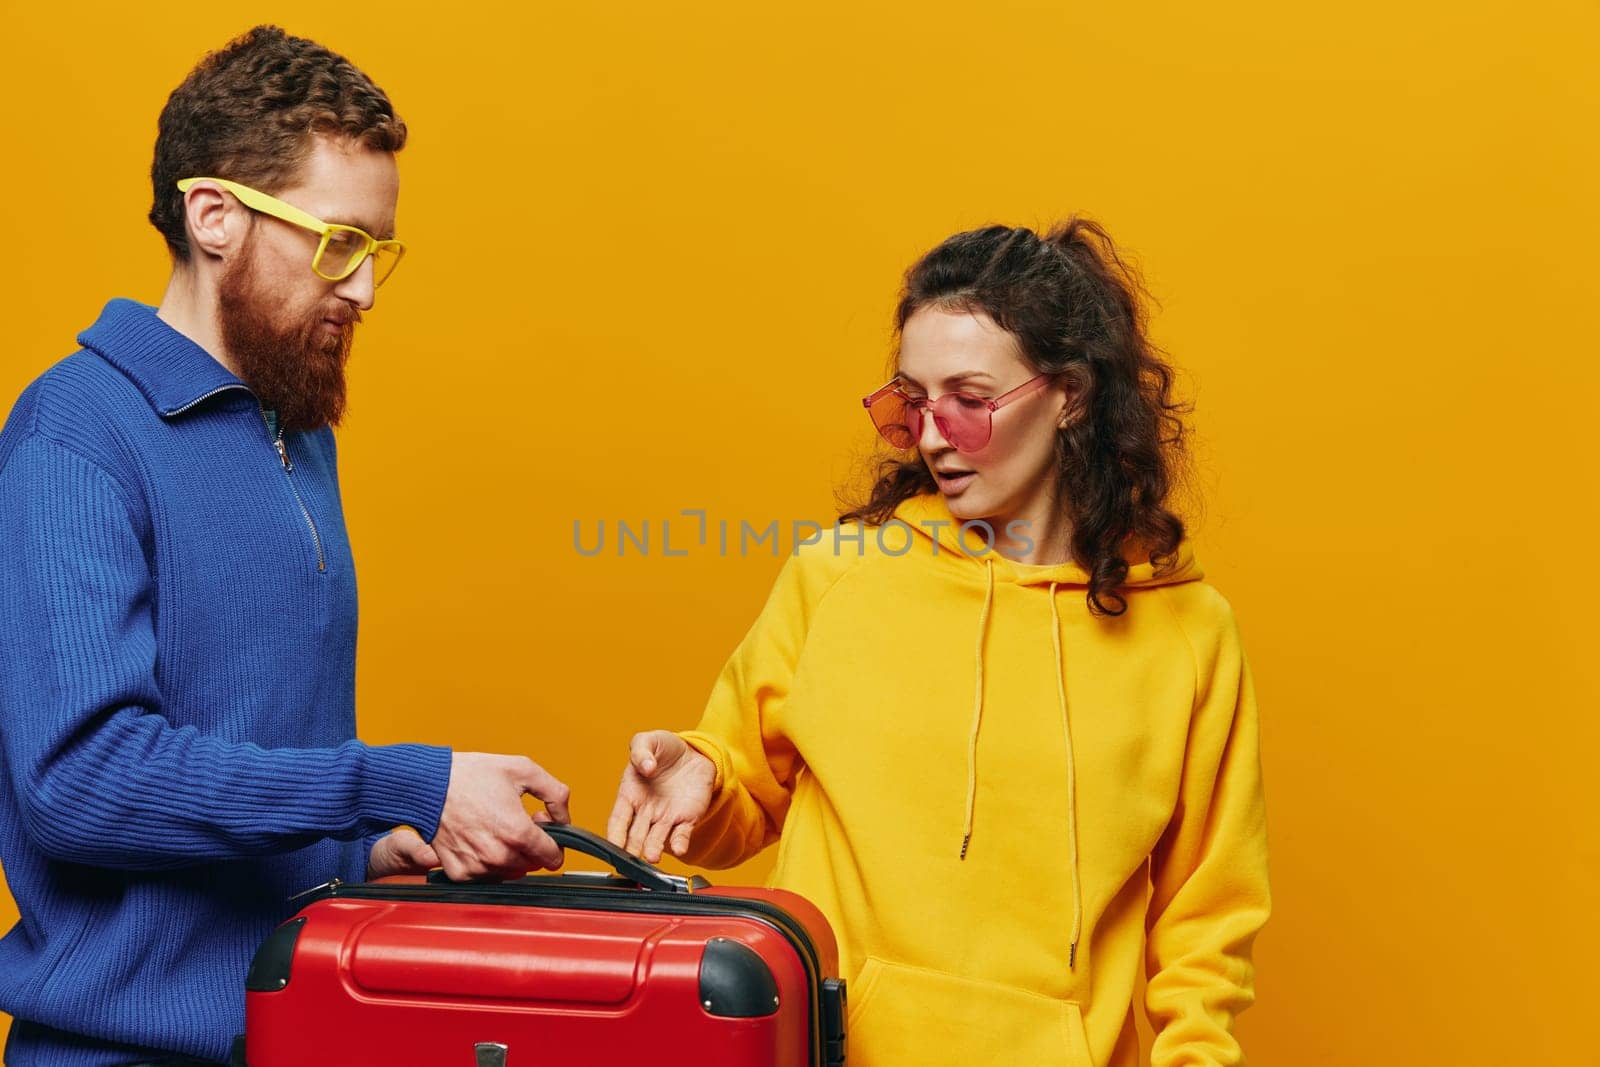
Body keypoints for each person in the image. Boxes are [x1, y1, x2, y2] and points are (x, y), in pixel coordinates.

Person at [0, 27, 570, 1066]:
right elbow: (79, 781)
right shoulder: (75, 431)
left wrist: (370, 843)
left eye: (377, 251)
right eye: (337, 242)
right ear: (213, 216)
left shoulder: (296, 427)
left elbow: (265, 744)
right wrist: (399, 782)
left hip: (306, 1030)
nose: (363, 289)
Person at [609, 220, 1270, 1066]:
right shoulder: (840, 575)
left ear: (1069, 393)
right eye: (913, 402)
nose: (929, 435)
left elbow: (1208, 918)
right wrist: (697, 776)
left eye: (968, 399)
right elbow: (744, 796)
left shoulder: (1188, 631)